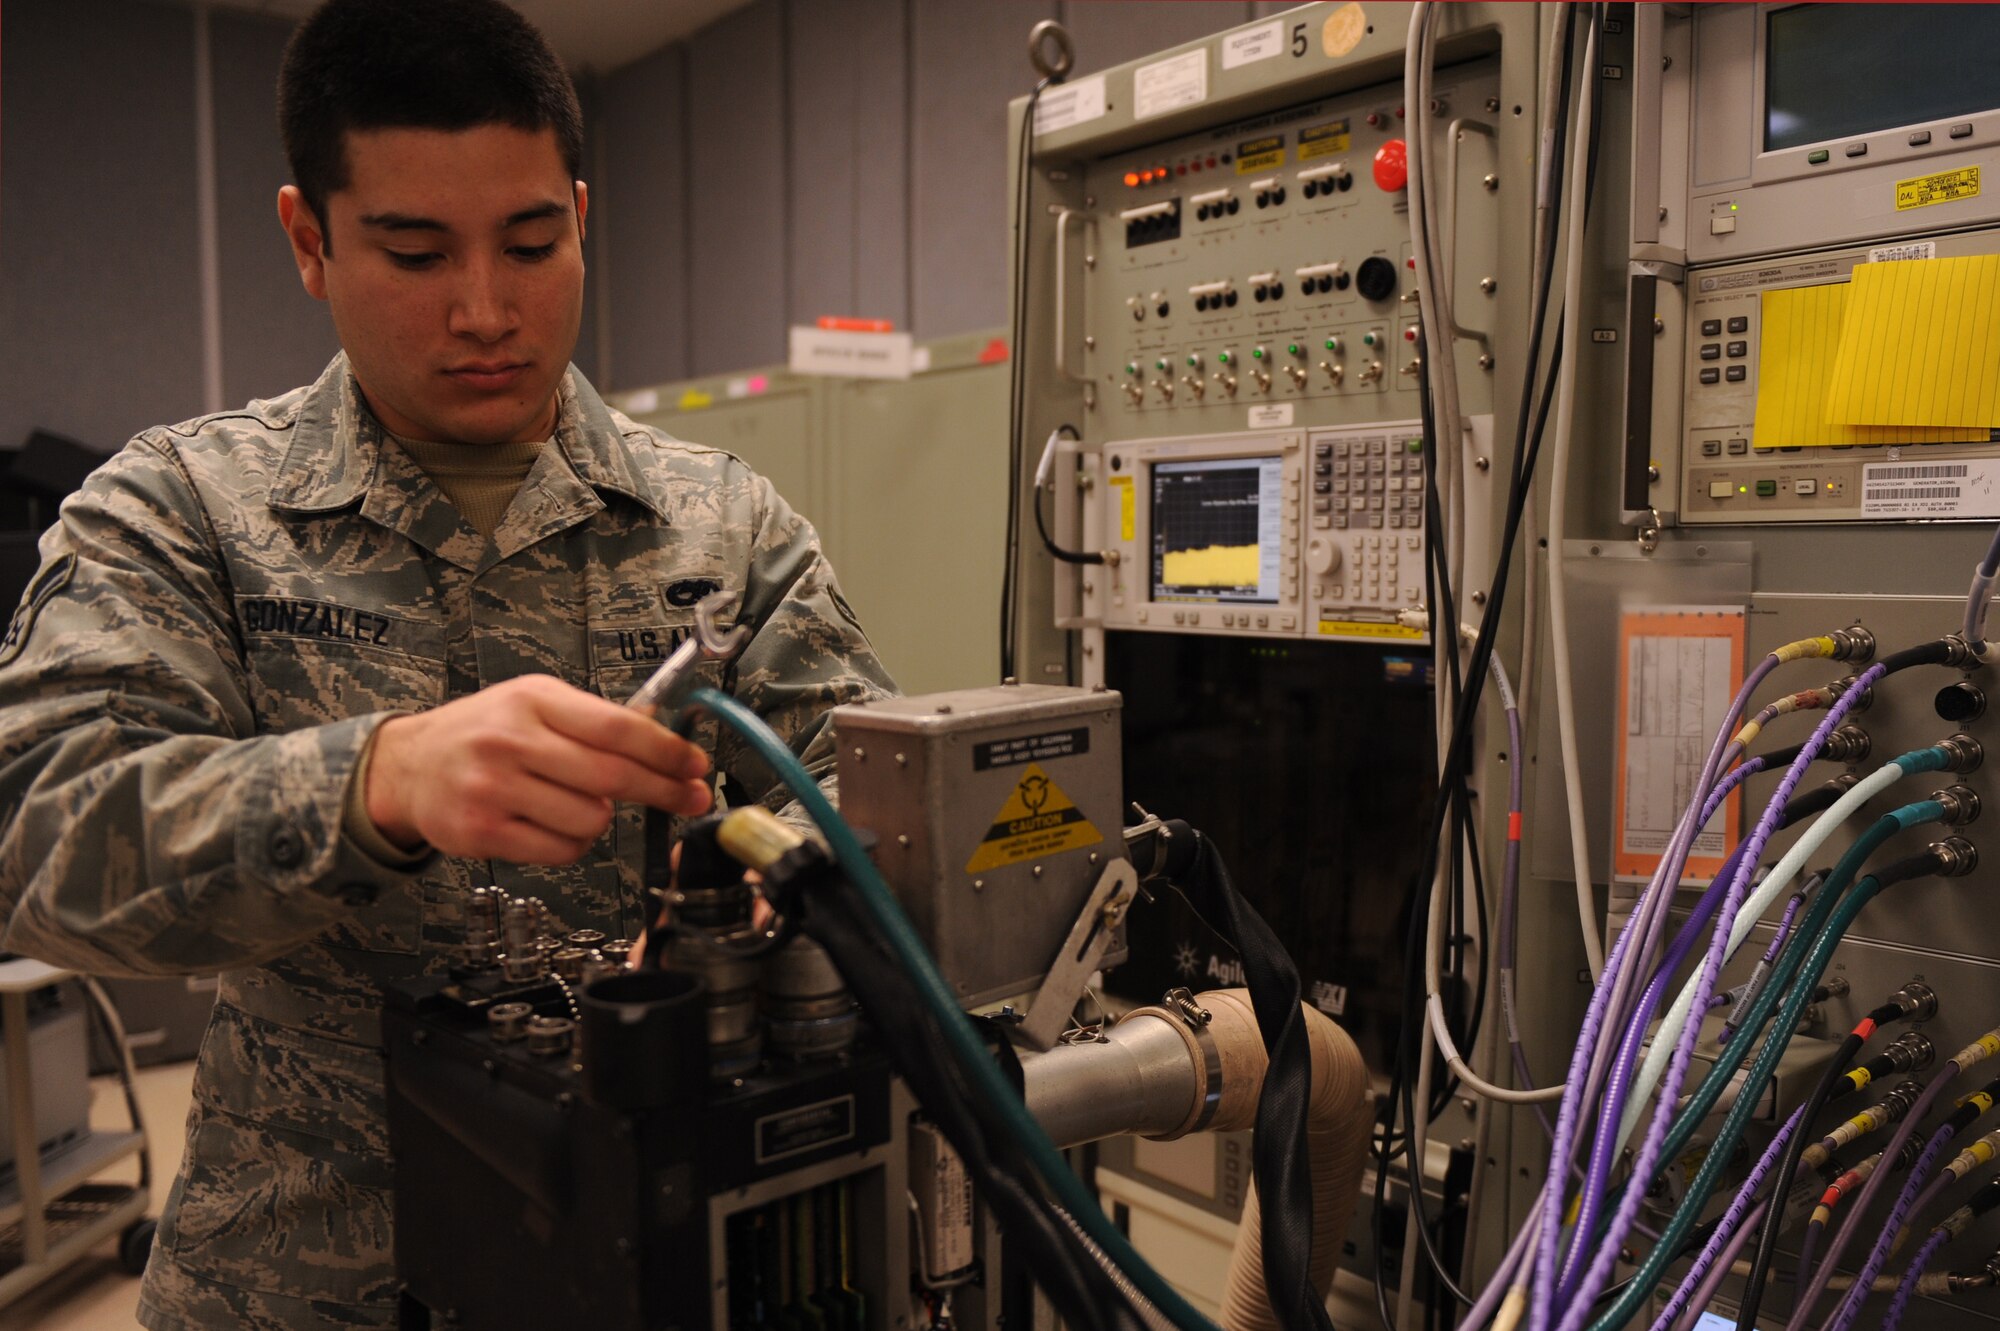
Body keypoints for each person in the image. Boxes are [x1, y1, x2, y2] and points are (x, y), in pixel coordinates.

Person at [0, 1, 895, 1327]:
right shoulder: (182, 507)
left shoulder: (730, 528)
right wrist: (369, 786)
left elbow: (870, 811)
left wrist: (803, 890)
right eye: (414, 251)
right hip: (305, 1272)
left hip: (657, 1257)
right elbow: (40, 843)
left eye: (532, 243)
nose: (485, 309)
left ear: (581, 216)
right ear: (309, 239)